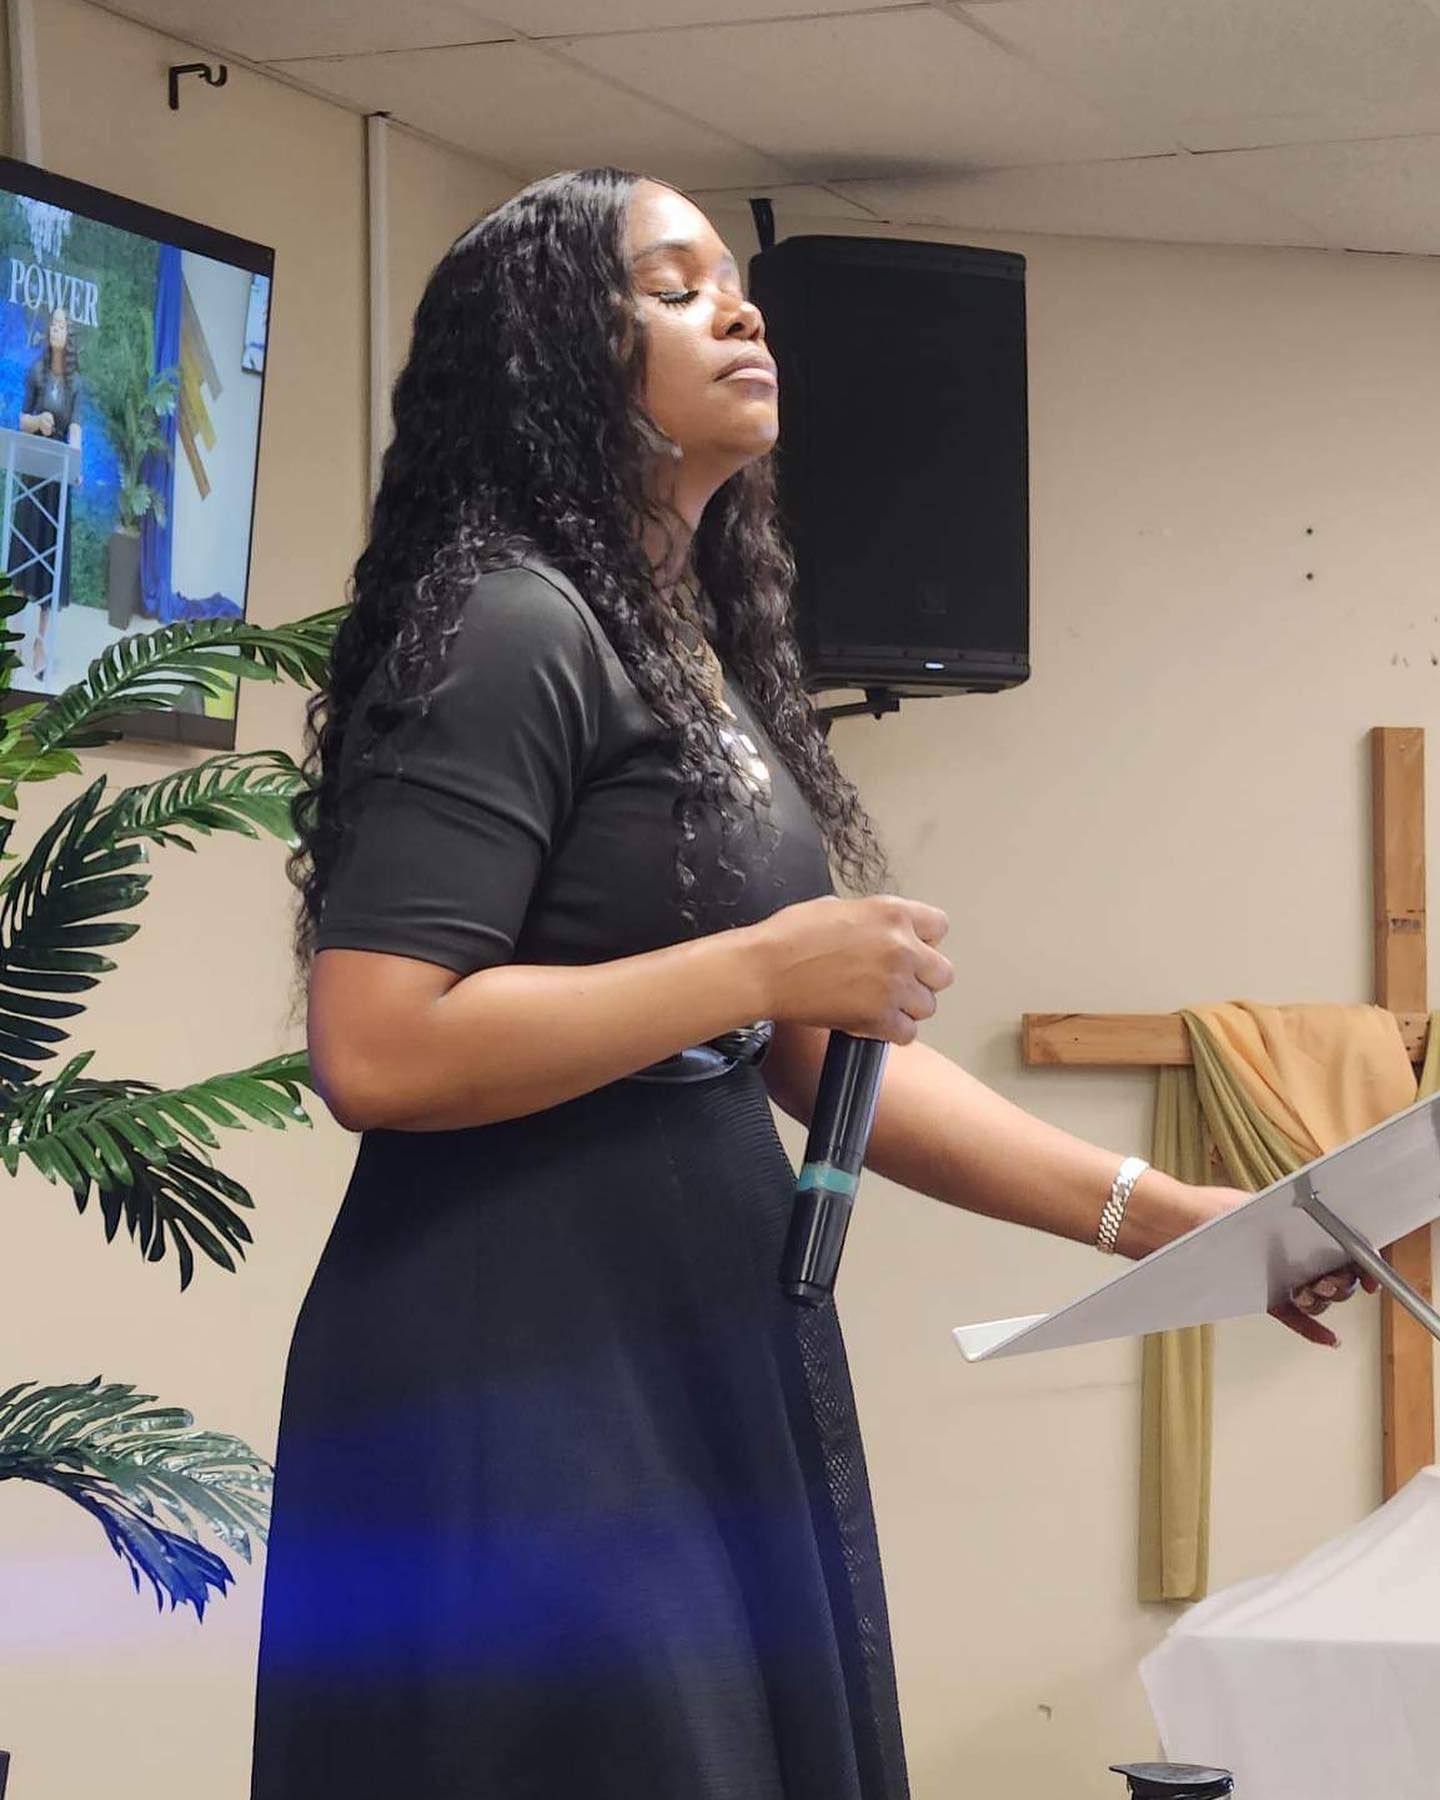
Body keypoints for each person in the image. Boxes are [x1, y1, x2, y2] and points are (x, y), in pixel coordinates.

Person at [253, 169, 1362, 1800]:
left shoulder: (681, 642)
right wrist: (770, 959)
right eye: (671, 284)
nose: (740, 306)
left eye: (731, 277)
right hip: (521, 1362)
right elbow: (380, 1043)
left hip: (700, 1324)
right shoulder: (508, 627)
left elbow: (813, 1060)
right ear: (553, 352)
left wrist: (1160, 1216)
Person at [15, 304, 82, 682]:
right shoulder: (35, 372)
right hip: (33, 472)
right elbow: (21, 420)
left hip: (58, 477)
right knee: (27, 551)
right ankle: (17, 640)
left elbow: (76, 430)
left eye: (63, 325)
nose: (57, 328)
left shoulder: (76, 384)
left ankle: (42, 644)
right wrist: (37, 422)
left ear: (69, 336)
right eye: (53, 323)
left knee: (50, 561)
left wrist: (77, 463)